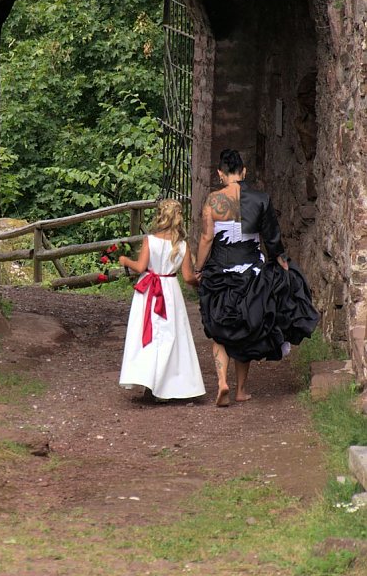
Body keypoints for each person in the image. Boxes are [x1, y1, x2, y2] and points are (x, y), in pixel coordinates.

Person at [195, 148, 319, 407]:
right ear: (244, 172)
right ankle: (240, 389)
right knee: (246, 328)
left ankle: (222, 383)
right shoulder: (261, 199)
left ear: (220, 174)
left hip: (220, 272)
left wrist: (198, 268)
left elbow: (207, 238)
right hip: (251, 273)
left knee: (219, 330)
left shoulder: (213, 201)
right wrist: (281, 263)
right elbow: (272, 238)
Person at [118, 199, 206, 401]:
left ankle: (150, 384)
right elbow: (188, 278)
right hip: (170, 292)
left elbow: (140, 267)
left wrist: (125, 261)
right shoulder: (182, 246)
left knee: (148, 336)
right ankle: (172, 385)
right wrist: (199, 279)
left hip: (149, 290)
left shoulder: (150, 240)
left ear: (160, 215)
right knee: (170, 337)